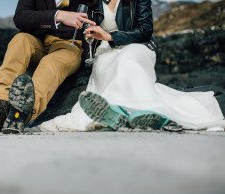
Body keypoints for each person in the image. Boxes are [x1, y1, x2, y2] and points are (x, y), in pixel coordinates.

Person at [39, 0, 225, 131]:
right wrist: (89, 33)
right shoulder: (92, 2)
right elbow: (80, 26)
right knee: (108, 68)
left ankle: (132, 112)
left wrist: (110, 36)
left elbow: (145, 30)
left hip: (137, 46)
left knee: (127, 60)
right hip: (104, 52)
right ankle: (127, 114)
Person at [0, 0, 96, 134]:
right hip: (37, 40)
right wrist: (58, 15)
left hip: (69, 46)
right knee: (20, 40)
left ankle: (21, 114)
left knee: (50, 63)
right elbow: (21, 18)